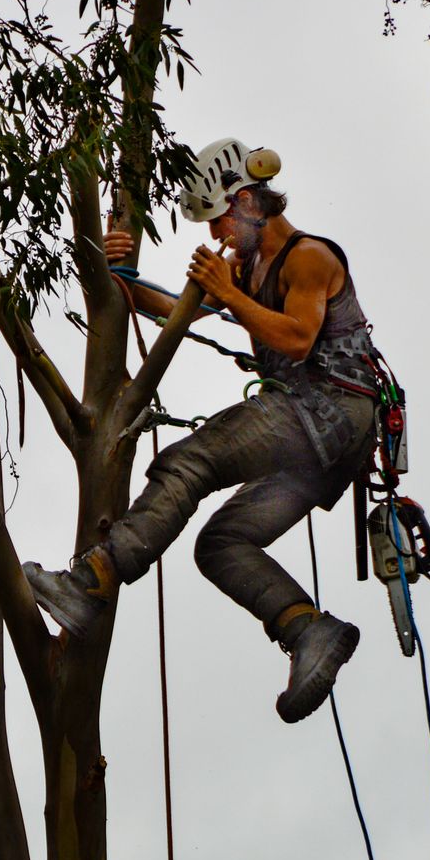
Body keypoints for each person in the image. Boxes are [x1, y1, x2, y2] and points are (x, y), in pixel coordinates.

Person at [23, 138, 381, 722]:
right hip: (320, 444)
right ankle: (307, 629)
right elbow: (177, 308)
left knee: (190, 461)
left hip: (329, 410)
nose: (217, 235)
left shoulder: (309, 257)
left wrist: (230, 291)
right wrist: (117, 273)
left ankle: (93, 579)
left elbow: (295, 338)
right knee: (221, 544)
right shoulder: (248, 269)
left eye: (219, 219)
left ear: (246, 200)